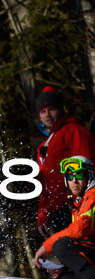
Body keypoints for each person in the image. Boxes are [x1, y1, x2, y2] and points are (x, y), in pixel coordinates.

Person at [34, 86, 95, 239]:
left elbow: (87, 167)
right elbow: (44, 183)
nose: (47, 114)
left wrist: (81, 202)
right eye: (43, 111)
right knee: (63, 254)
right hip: (57, 211)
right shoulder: (43, 146)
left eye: (51, 109)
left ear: (60, 110)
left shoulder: (73, 131)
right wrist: (43, 213)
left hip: (75, 205)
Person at [34, 156, 95, 279]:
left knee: (60, 246)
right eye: (69, 176)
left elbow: (79, 230)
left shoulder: (92, 195)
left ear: (89, 177)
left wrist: (47, 246)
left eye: (79, 176)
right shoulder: (79, 201)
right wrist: (64, 264)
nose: (74, 181)